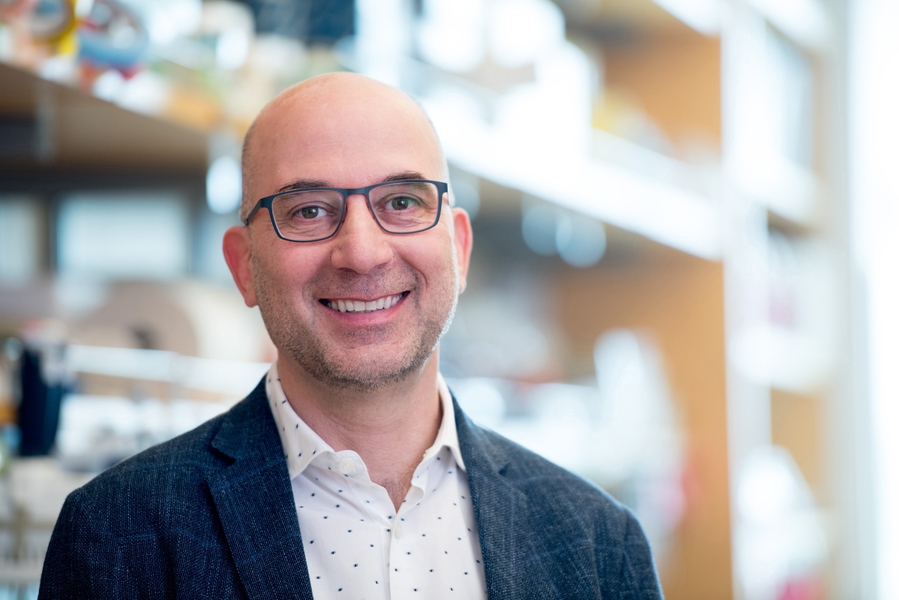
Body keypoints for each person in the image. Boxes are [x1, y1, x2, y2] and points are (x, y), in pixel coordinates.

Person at [39, 73, 664, 599]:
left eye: (402, 202)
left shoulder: (599, 544)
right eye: (308, 211)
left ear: (460, 248)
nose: (362, 254)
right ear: (243, 267)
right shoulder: (116, 537)